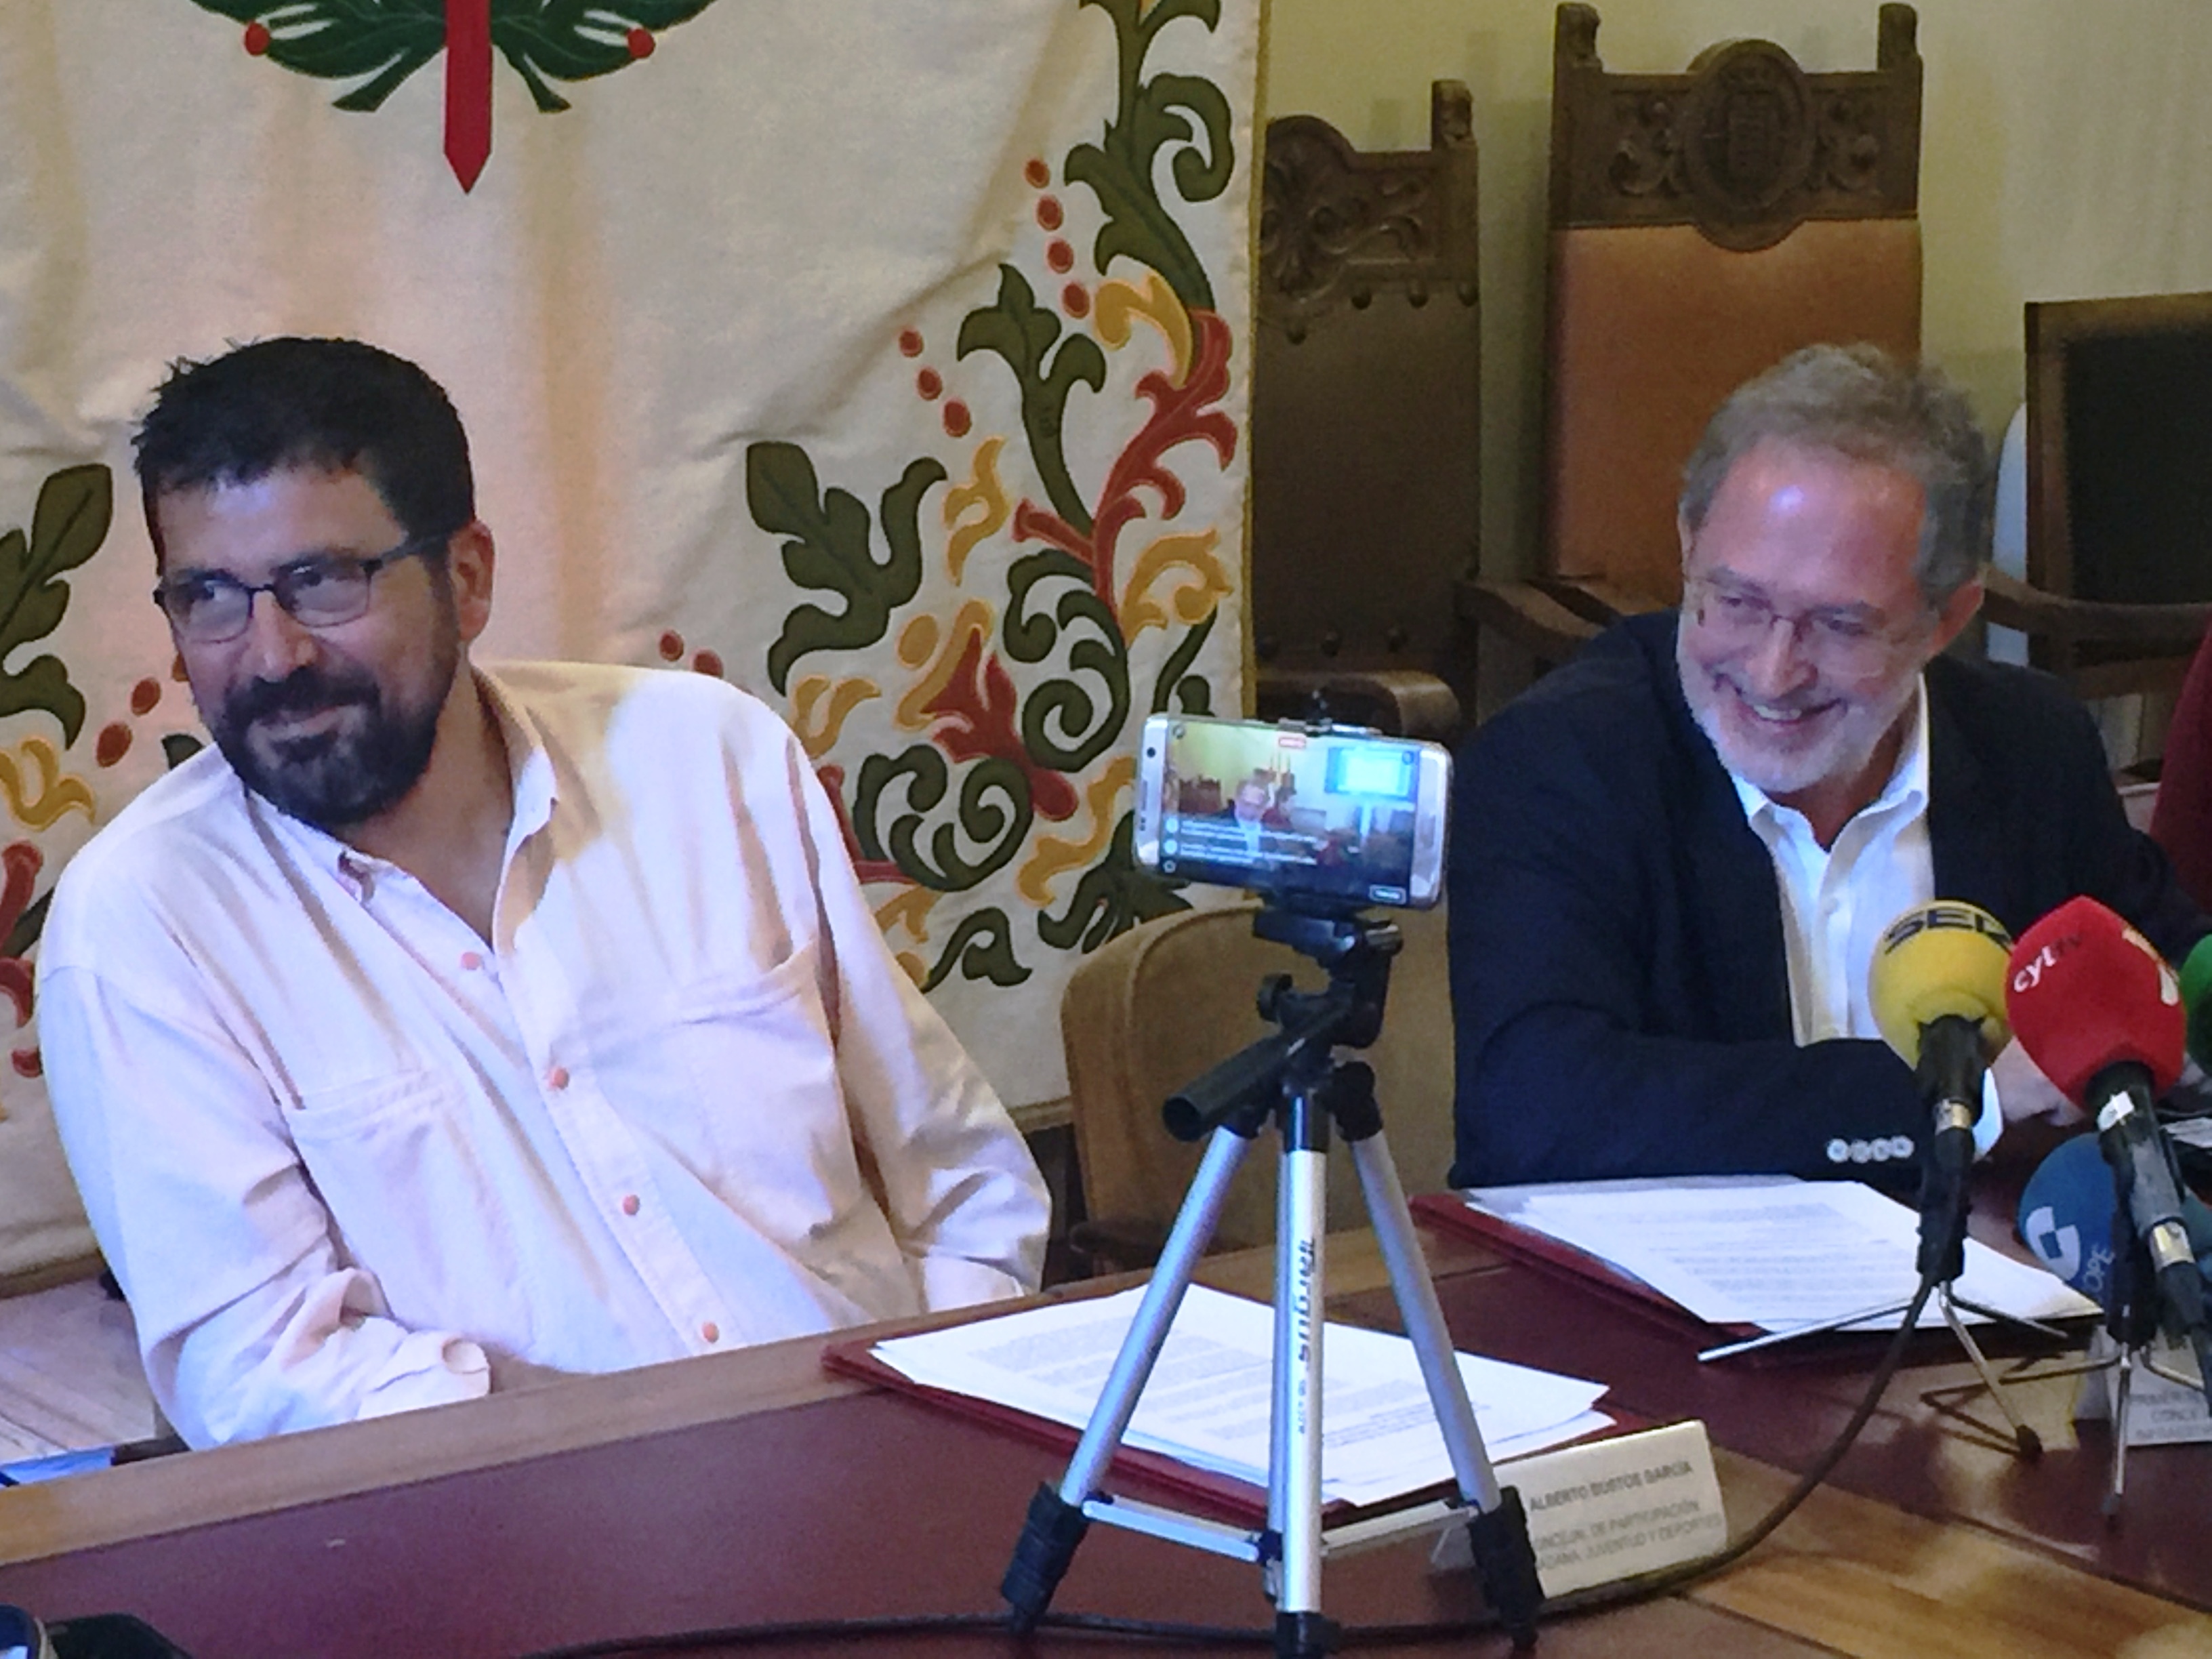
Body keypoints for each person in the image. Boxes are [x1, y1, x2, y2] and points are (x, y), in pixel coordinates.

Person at [39, 337, 1049, 1447]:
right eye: (210, 598)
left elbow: (959, 1184)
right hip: (496, 1527)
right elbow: (261, 1372)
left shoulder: (705, 758)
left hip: (899, 1460)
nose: (270, 655)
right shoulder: (145, 921)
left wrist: (945, 1431)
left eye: (322, 582)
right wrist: (648, 1469)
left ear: (466, 577)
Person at [1449, 344, 2207, 1188]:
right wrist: (1965, 1101)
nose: (1773, 673)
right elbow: (1534, 1106)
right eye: (1738, 602)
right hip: (1664, 1272)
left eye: (1841, 626)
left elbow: (2173, 973)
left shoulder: (2029, 744)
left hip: (1997, 1261)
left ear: (1947, 620)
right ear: (1689, 544)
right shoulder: (1558, 761)